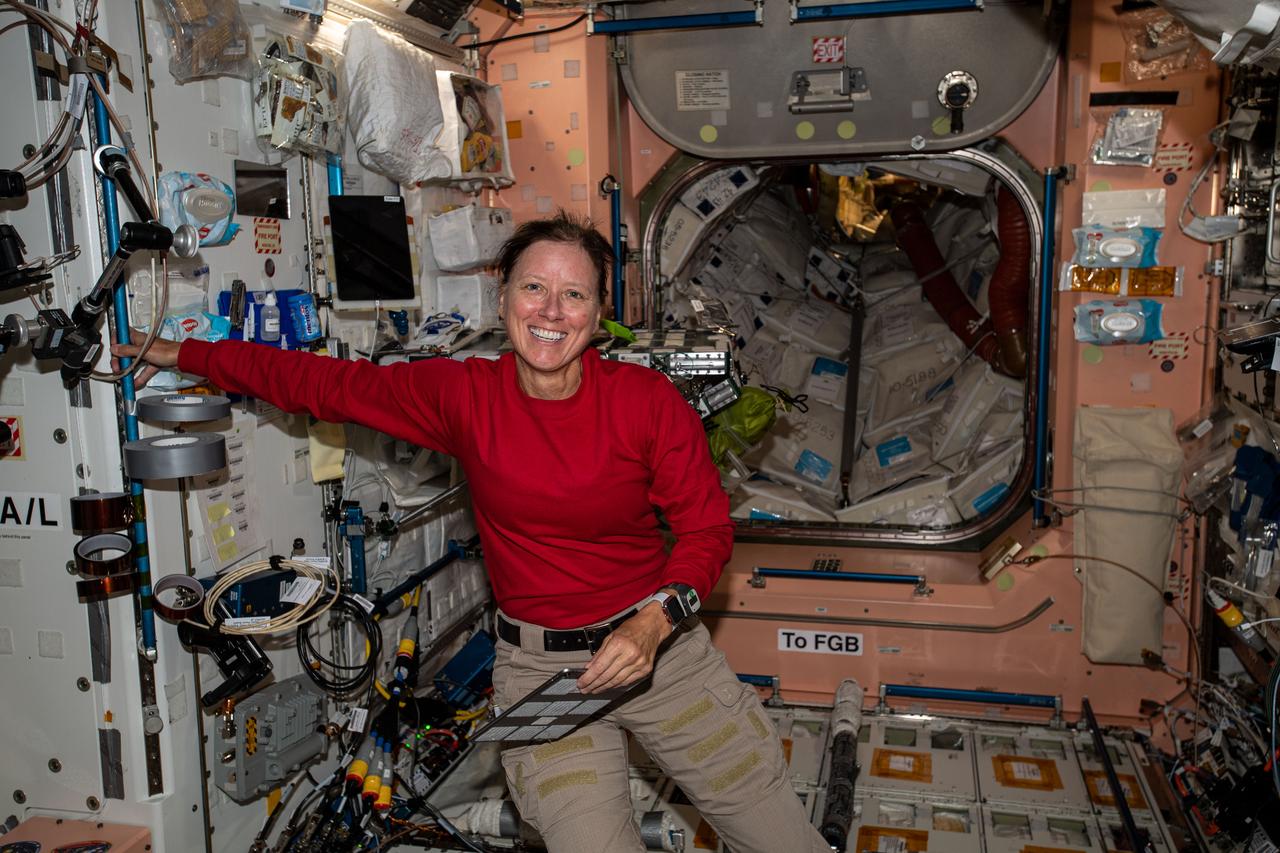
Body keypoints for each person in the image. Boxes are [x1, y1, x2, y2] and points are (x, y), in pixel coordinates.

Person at [115, 213, 831, 853]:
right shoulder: (465, 395)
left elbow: (706, 528)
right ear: (503, 299)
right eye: (533, 289)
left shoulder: (647, 404)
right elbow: (328, 385)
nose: (551, 311)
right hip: (542, 676)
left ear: (600, 311)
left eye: (574, 294)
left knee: (779, 836)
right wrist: (189, 356)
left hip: (660, 650)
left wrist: (652, 622)